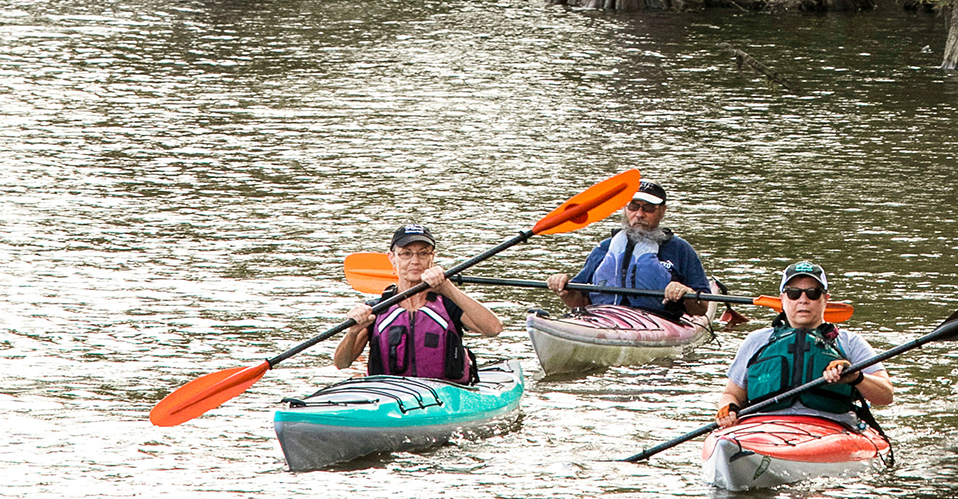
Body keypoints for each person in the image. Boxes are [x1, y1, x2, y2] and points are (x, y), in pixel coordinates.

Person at [714, 261, 894, 428]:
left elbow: (886, 395)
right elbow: (732, 394)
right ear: (782, 299)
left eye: (813, 293)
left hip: (832, 428)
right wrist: (727, 408)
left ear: (825, 299)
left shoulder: (850, 343)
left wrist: (856, 376)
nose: (803, 300)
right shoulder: (756, 341)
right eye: (793, 293)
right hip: (765, 429)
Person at [333, 224, 505, 383]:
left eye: (423, 253)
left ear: (432, 258)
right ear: (392, 258)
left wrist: (447, 287)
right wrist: (352, 332)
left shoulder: (448, 304)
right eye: (406, 253)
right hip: (390, 397)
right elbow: (342, 362)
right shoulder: (377, 309)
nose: (415, 261)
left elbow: (494, 328)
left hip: (445, 395)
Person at [545, 179, 711, 321]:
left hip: (659, 320)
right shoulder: (604, 248)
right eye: (633, 206)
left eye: (648, 208)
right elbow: (580, 300)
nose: (639, 214)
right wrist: (563, 288)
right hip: (604, 318)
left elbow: (702, 308)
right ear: (625, 209)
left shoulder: (680, 249)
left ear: (662, 211)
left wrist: (686, 291)